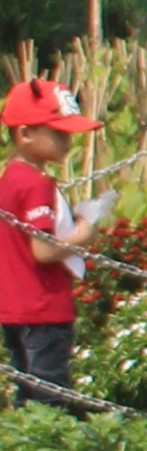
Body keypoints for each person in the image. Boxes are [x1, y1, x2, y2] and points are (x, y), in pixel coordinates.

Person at [0, 78, 96, 405]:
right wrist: (82, 233)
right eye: (58, 133)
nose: (67, 142)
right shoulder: (36, 184)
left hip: (15, 308)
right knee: (51, 395)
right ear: (25, 134)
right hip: (44, 309)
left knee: (27, 392)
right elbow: (42, 249)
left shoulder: (10, 178)